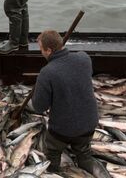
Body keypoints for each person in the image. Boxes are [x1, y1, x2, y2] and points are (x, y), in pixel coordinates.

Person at [31, 30, 99, 173]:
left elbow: (39, 107)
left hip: (62, 130)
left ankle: (53, 173)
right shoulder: (84, 58)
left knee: (53, 152)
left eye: (41, 49)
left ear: (49, 50)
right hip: (89, 124)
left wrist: (39, 89)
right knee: (84, 151)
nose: (41, 53)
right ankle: (88, 172)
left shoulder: (47, 72)